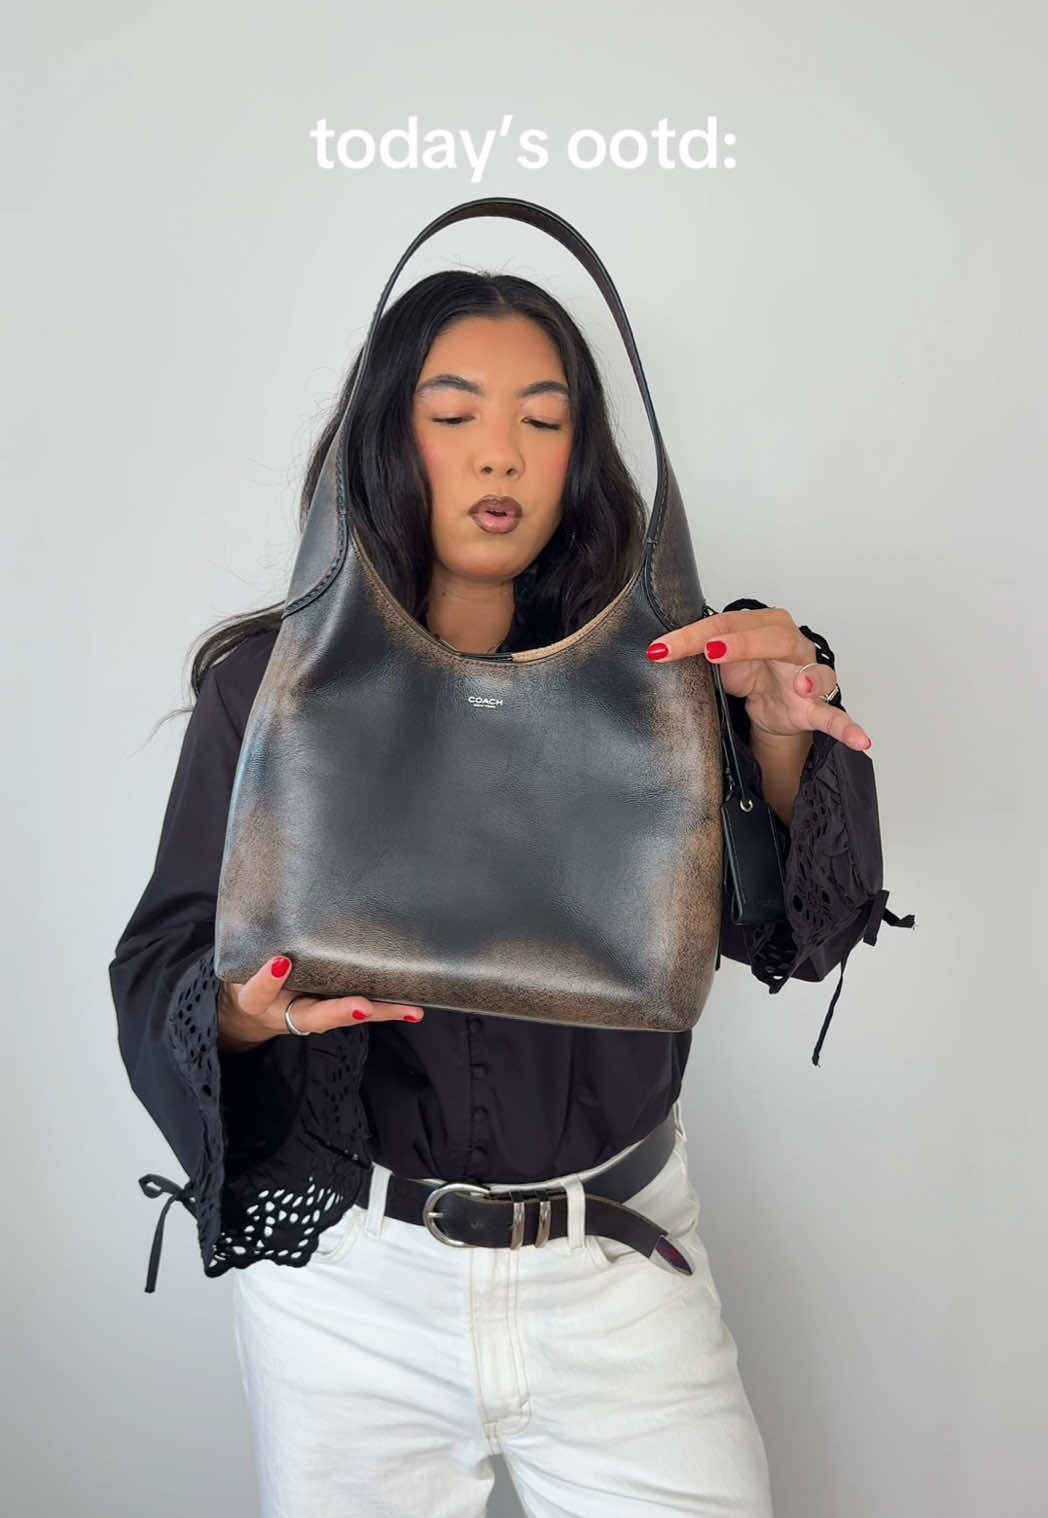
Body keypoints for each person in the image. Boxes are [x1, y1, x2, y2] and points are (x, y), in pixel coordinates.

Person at [109, 270, 912, 1517]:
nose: (501, 453)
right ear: (387, 436)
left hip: (618, 1270)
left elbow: (788, 938)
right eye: (454, 414)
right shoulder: (279, 688)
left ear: (581, 454)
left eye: (543, 419)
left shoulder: (665, 675)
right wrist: (243, 1015)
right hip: (353, 1289)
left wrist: (773, 739)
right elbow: (164, 955)